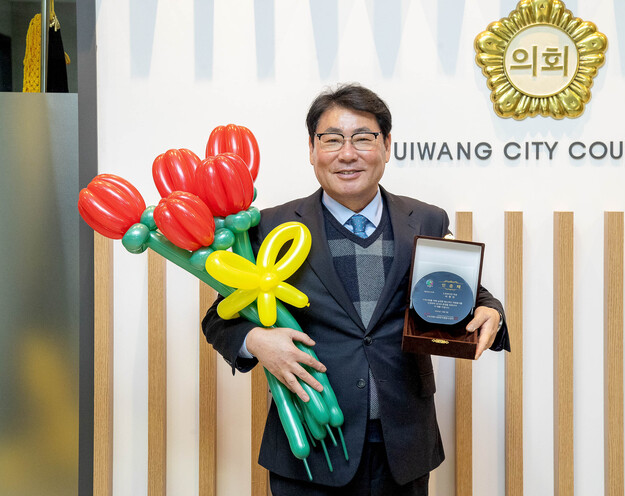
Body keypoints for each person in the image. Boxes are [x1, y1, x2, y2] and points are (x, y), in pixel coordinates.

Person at [202, 83, 510, 495]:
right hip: (312, 441)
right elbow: (220, 318)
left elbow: (461, 290)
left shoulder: (426, 220)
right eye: (332, 139)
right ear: (312, 149)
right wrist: (256, 341)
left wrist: (492, 310)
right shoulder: (270, 226)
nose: (347, 154)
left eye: (363, 138)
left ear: (386, 145)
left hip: (404, 446)